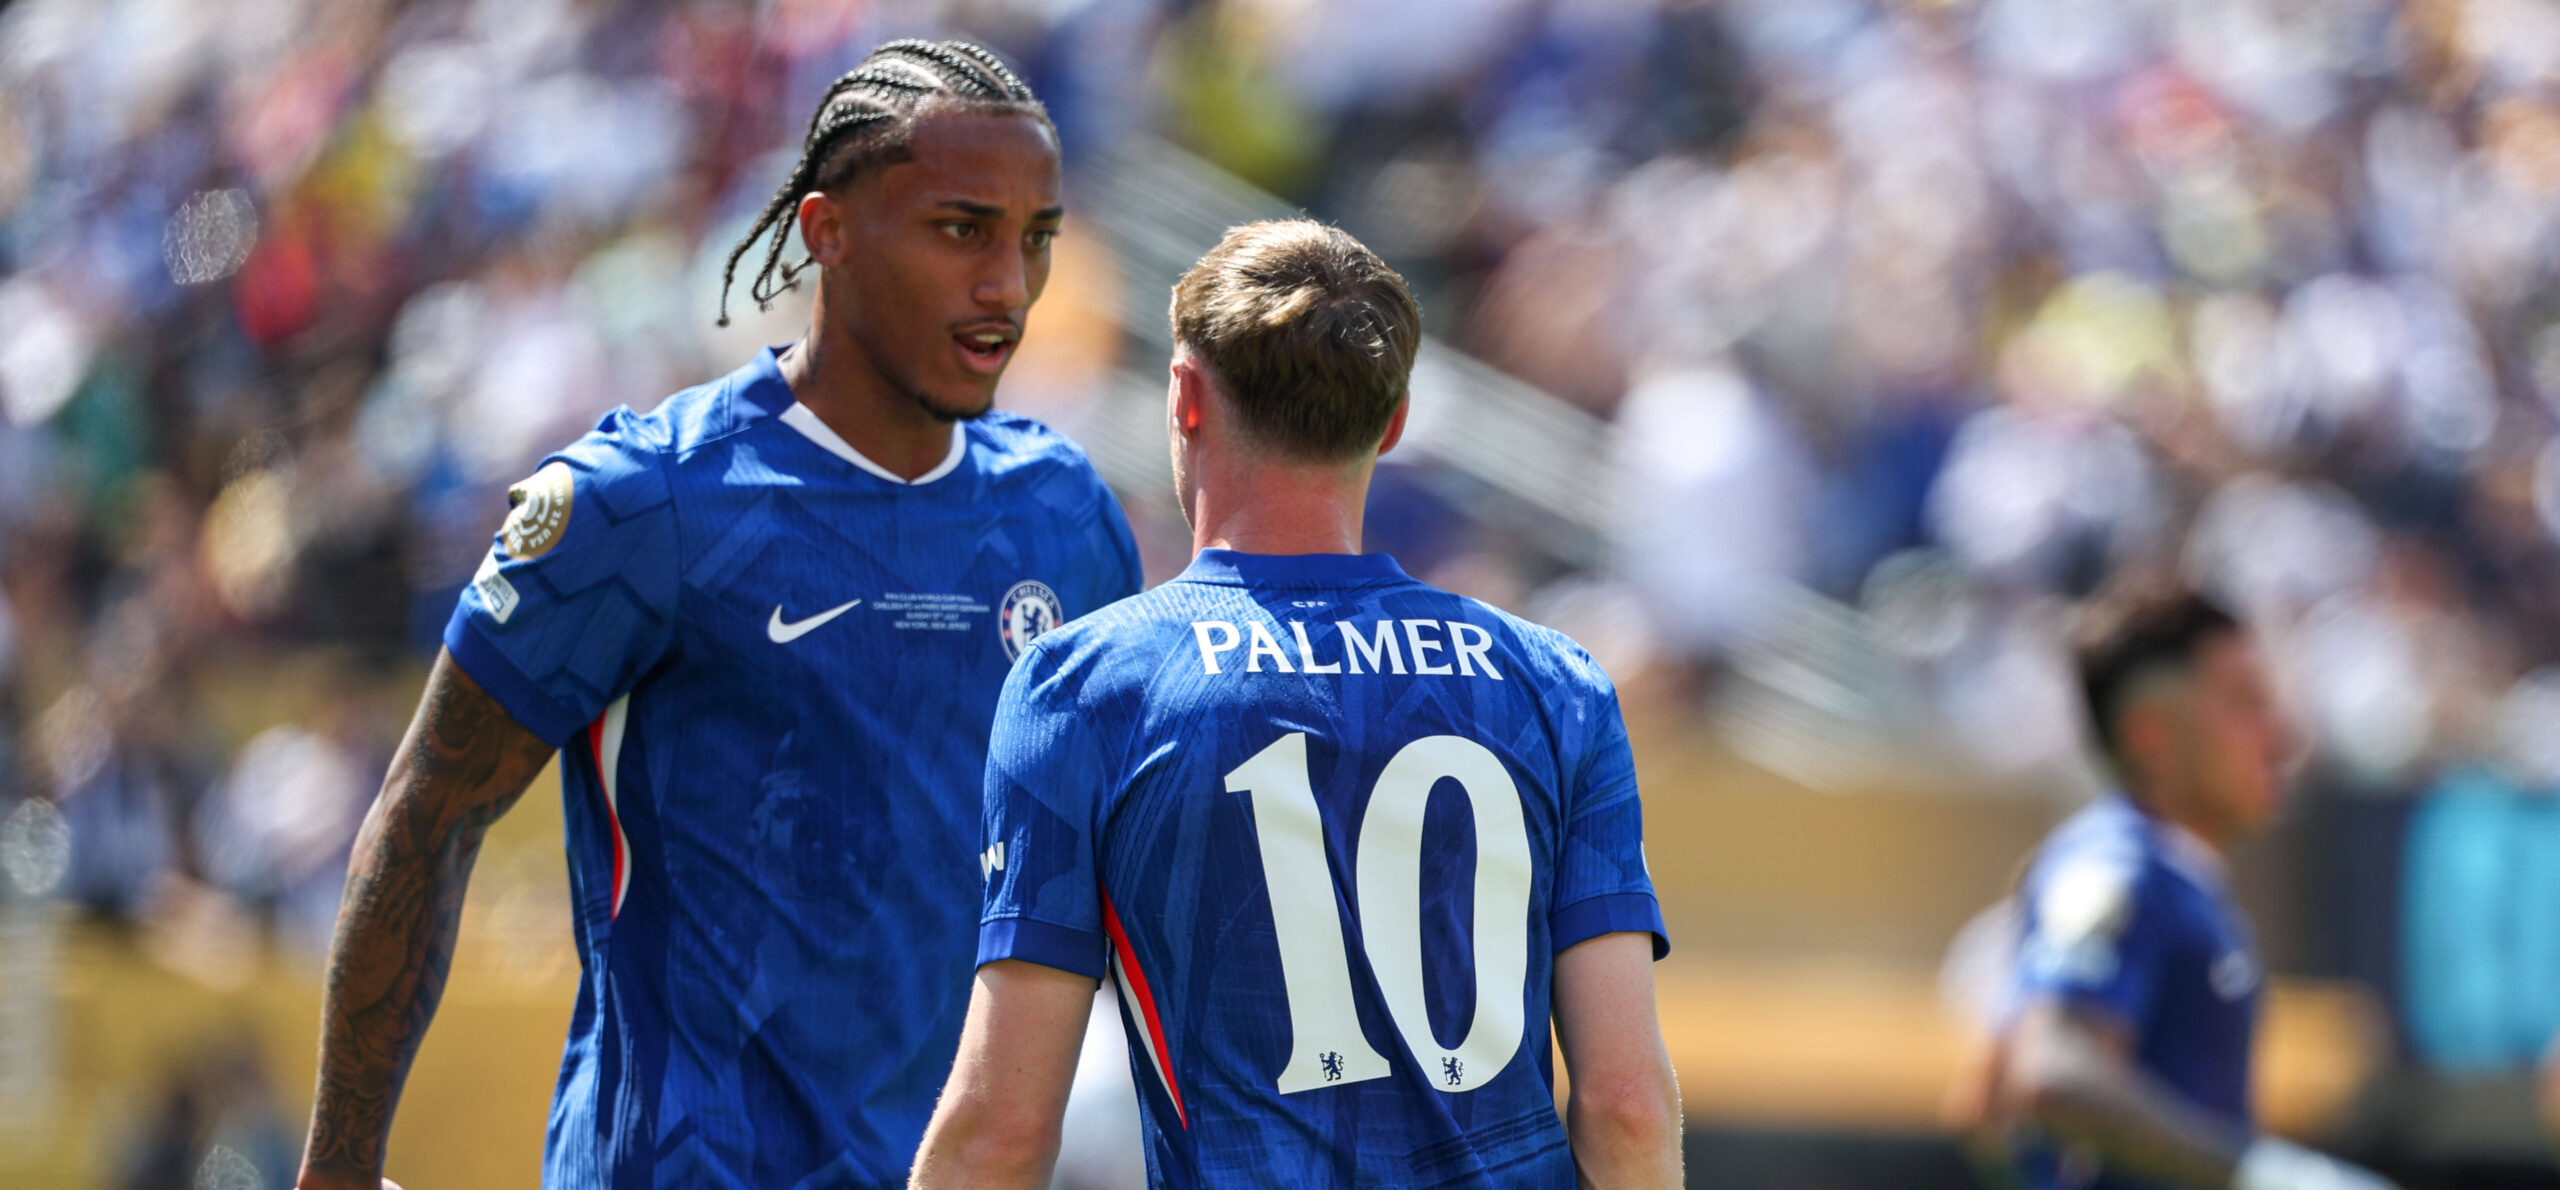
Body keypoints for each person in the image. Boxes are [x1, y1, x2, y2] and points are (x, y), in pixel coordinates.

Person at [293, 39, 1142, 1190]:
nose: (1007, 283)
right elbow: (426, 814)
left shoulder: (1066, 518)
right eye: (960, 229)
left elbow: (1122, 887)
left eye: (1034, 237)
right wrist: (338, 1166)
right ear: (823, 230)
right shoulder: (648, 503)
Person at [906, 220, 1683, 1190]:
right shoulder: (1554, 683)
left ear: (1185, 399)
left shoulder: (1087, 686)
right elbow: (1625, 1103)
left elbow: (1002, 1128)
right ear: (1392, 420)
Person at [1978, 591, 2395, 1190]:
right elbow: (2052, 1072)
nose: (2275, 735)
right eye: (2244, 703)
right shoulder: (2116, 867)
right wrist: (2260, 1174)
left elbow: (1982, 1106)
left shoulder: (2179, 879)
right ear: (2152, 735)